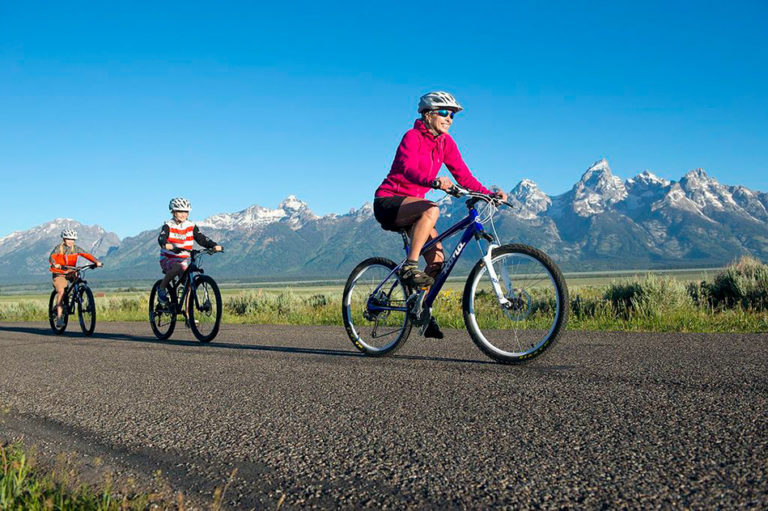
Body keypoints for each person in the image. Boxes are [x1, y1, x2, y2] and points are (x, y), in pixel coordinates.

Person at [373, 91, 507, 338]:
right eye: (445, 113)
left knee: (437, 262)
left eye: (453, 115)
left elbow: (464, 176)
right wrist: (432, 182)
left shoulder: (446, 143)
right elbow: (407, 168)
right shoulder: (412, 137)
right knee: (431, 208)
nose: (450, 119)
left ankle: (419, 307)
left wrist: (490, 194)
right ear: (428, 114)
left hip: (415, 208)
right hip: (389, 201)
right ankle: (409, 267)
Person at [156, 197, 222, 305]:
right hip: (168, 258)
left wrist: (214, 245)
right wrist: (165, 244)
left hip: (184, 259)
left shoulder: (190, 226)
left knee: (189, 286)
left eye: (186, 211)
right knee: (178, 266)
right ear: (173, 212)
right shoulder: (168, 225)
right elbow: (161, 237)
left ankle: (188, 317)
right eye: (179, 211)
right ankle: (162, 288)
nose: (183, 214)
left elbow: (201, 238)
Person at [48, 228, 103, 327]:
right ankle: (59, 317)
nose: (70, 241)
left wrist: (96, 262)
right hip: (59, 272)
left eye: (73, 239)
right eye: (68, 239)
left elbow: (87, 255)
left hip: (70, 270)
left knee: (78, 278)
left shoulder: (76, 249)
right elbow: (51, 257)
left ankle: (78, 294)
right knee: (61, 291)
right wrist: (55, 264)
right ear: (64, 239)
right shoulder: (58, 248)